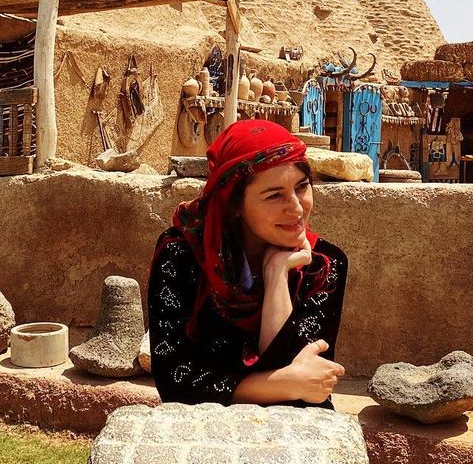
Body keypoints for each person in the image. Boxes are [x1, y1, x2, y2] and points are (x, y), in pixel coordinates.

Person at [147, 119, 347, 408]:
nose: (296, 207)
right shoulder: (181, 255)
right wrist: (284, 384)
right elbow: (175, 381)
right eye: (274, 195)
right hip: (204, 425)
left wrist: (276, 274)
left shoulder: (323, 265)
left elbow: (308, 380)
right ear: (234, 204)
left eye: (302, 187)